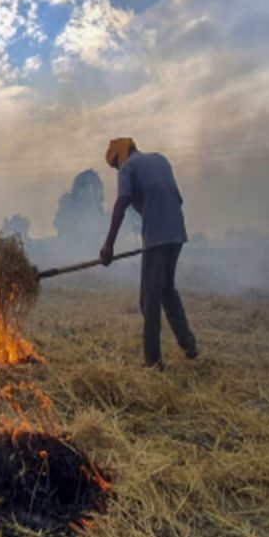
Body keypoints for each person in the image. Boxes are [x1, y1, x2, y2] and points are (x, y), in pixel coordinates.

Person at [99, 137, 197, 370]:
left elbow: (121, 205)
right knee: (166, 291)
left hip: (158, 236)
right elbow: (178, 199)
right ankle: (188, 344)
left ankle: (153, 362)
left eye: (114, 165)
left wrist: (108, 247)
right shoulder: (160, 160)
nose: (116, 169)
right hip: (177, 233)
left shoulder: (128, 168)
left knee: (149, 299)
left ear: (120, 156)